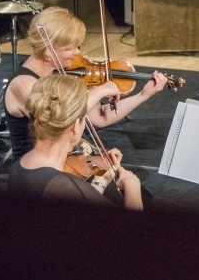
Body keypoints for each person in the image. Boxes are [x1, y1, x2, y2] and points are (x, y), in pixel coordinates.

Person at [4, 6, 168, 161]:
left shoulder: (61, 74)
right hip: (35, 176)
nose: (77, 52)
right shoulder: (24, 84)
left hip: (60, 162)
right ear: (48, 52)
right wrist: (97, 92)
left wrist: (143, 95)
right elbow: (60, 126)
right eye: (71, 47)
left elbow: (101, 118)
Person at [8, 74, 144, 210]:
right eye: (84, 118)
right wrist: (132, 186)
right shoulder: (61, 185)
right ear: (75, 125)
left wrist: (102, 180)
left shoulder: (21, 165)